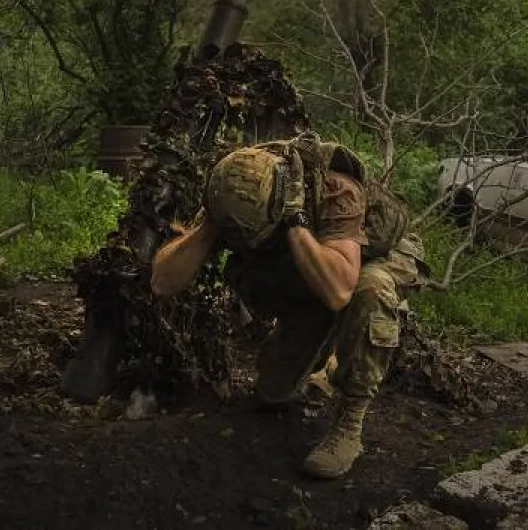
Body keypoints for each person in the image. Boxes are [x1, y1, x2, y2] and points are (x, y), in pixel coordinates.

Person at [149, 133, 425, 480]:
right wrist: (208, 228)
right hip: (318, 262)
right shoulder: (232, 189)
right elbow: (163, 282)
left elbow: (340, 289)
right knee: (274, 393)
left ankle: (349, 423)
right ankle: (318, 346)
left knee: (369, 290)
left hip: (376, 255)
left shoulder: (336, 190)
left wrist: (295, 224)